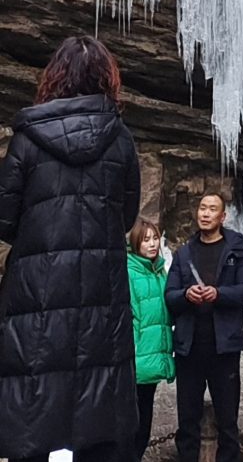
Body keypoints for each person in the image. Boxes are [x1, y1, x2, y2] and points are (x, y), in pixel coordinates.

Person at [0, 34, 141, 462]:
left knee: (30, 421)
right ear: (106, 79)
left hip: (34, 303)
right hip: (102, 302)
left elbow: (5, 220)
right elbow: (127, 218)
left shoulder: (27, 141)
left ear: (54, 78)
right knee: (100, 428)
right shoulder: (120, 140)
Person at [165, 191, 243, 462]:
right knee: (187, 423)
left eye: (212, 209)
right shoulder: (184, 253)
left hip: (224, 348)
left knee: (228, 422)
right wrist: (185, 296)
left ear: (222, 216)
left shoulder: (236, 248)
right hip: (189, 349)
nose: (205, 213)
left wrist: (219, 294)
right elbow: (169, 296)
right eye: (202, 208)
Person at [127, 217, 175, 460]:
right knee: (130, 424)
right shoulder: (128, 271)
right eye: (146, 240)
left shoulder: (159, 271)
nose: (152, 244)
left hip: (152, 359)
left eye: (155, 238)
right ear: (135, 243)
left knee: (144, 420)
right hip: (135, 359)